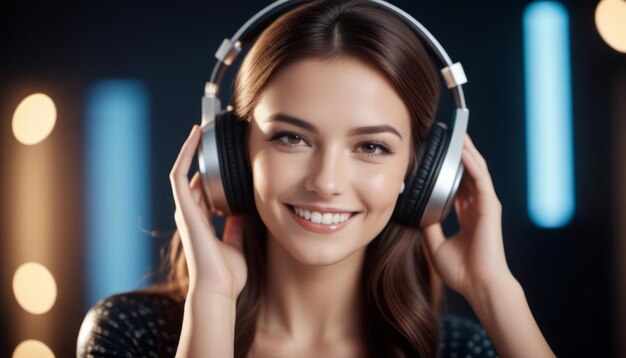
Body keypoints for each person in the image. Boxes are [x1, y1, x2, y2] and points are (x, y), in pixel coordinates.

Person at [77, 0, 556, 357]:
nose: (326, 182)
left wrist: (495, 291)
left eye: (371, 147)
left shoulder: (456, 349)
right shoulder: (130, 332)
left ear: (424, 174)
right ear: (233, 157)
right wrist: (213, 305)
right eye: (291, 138)